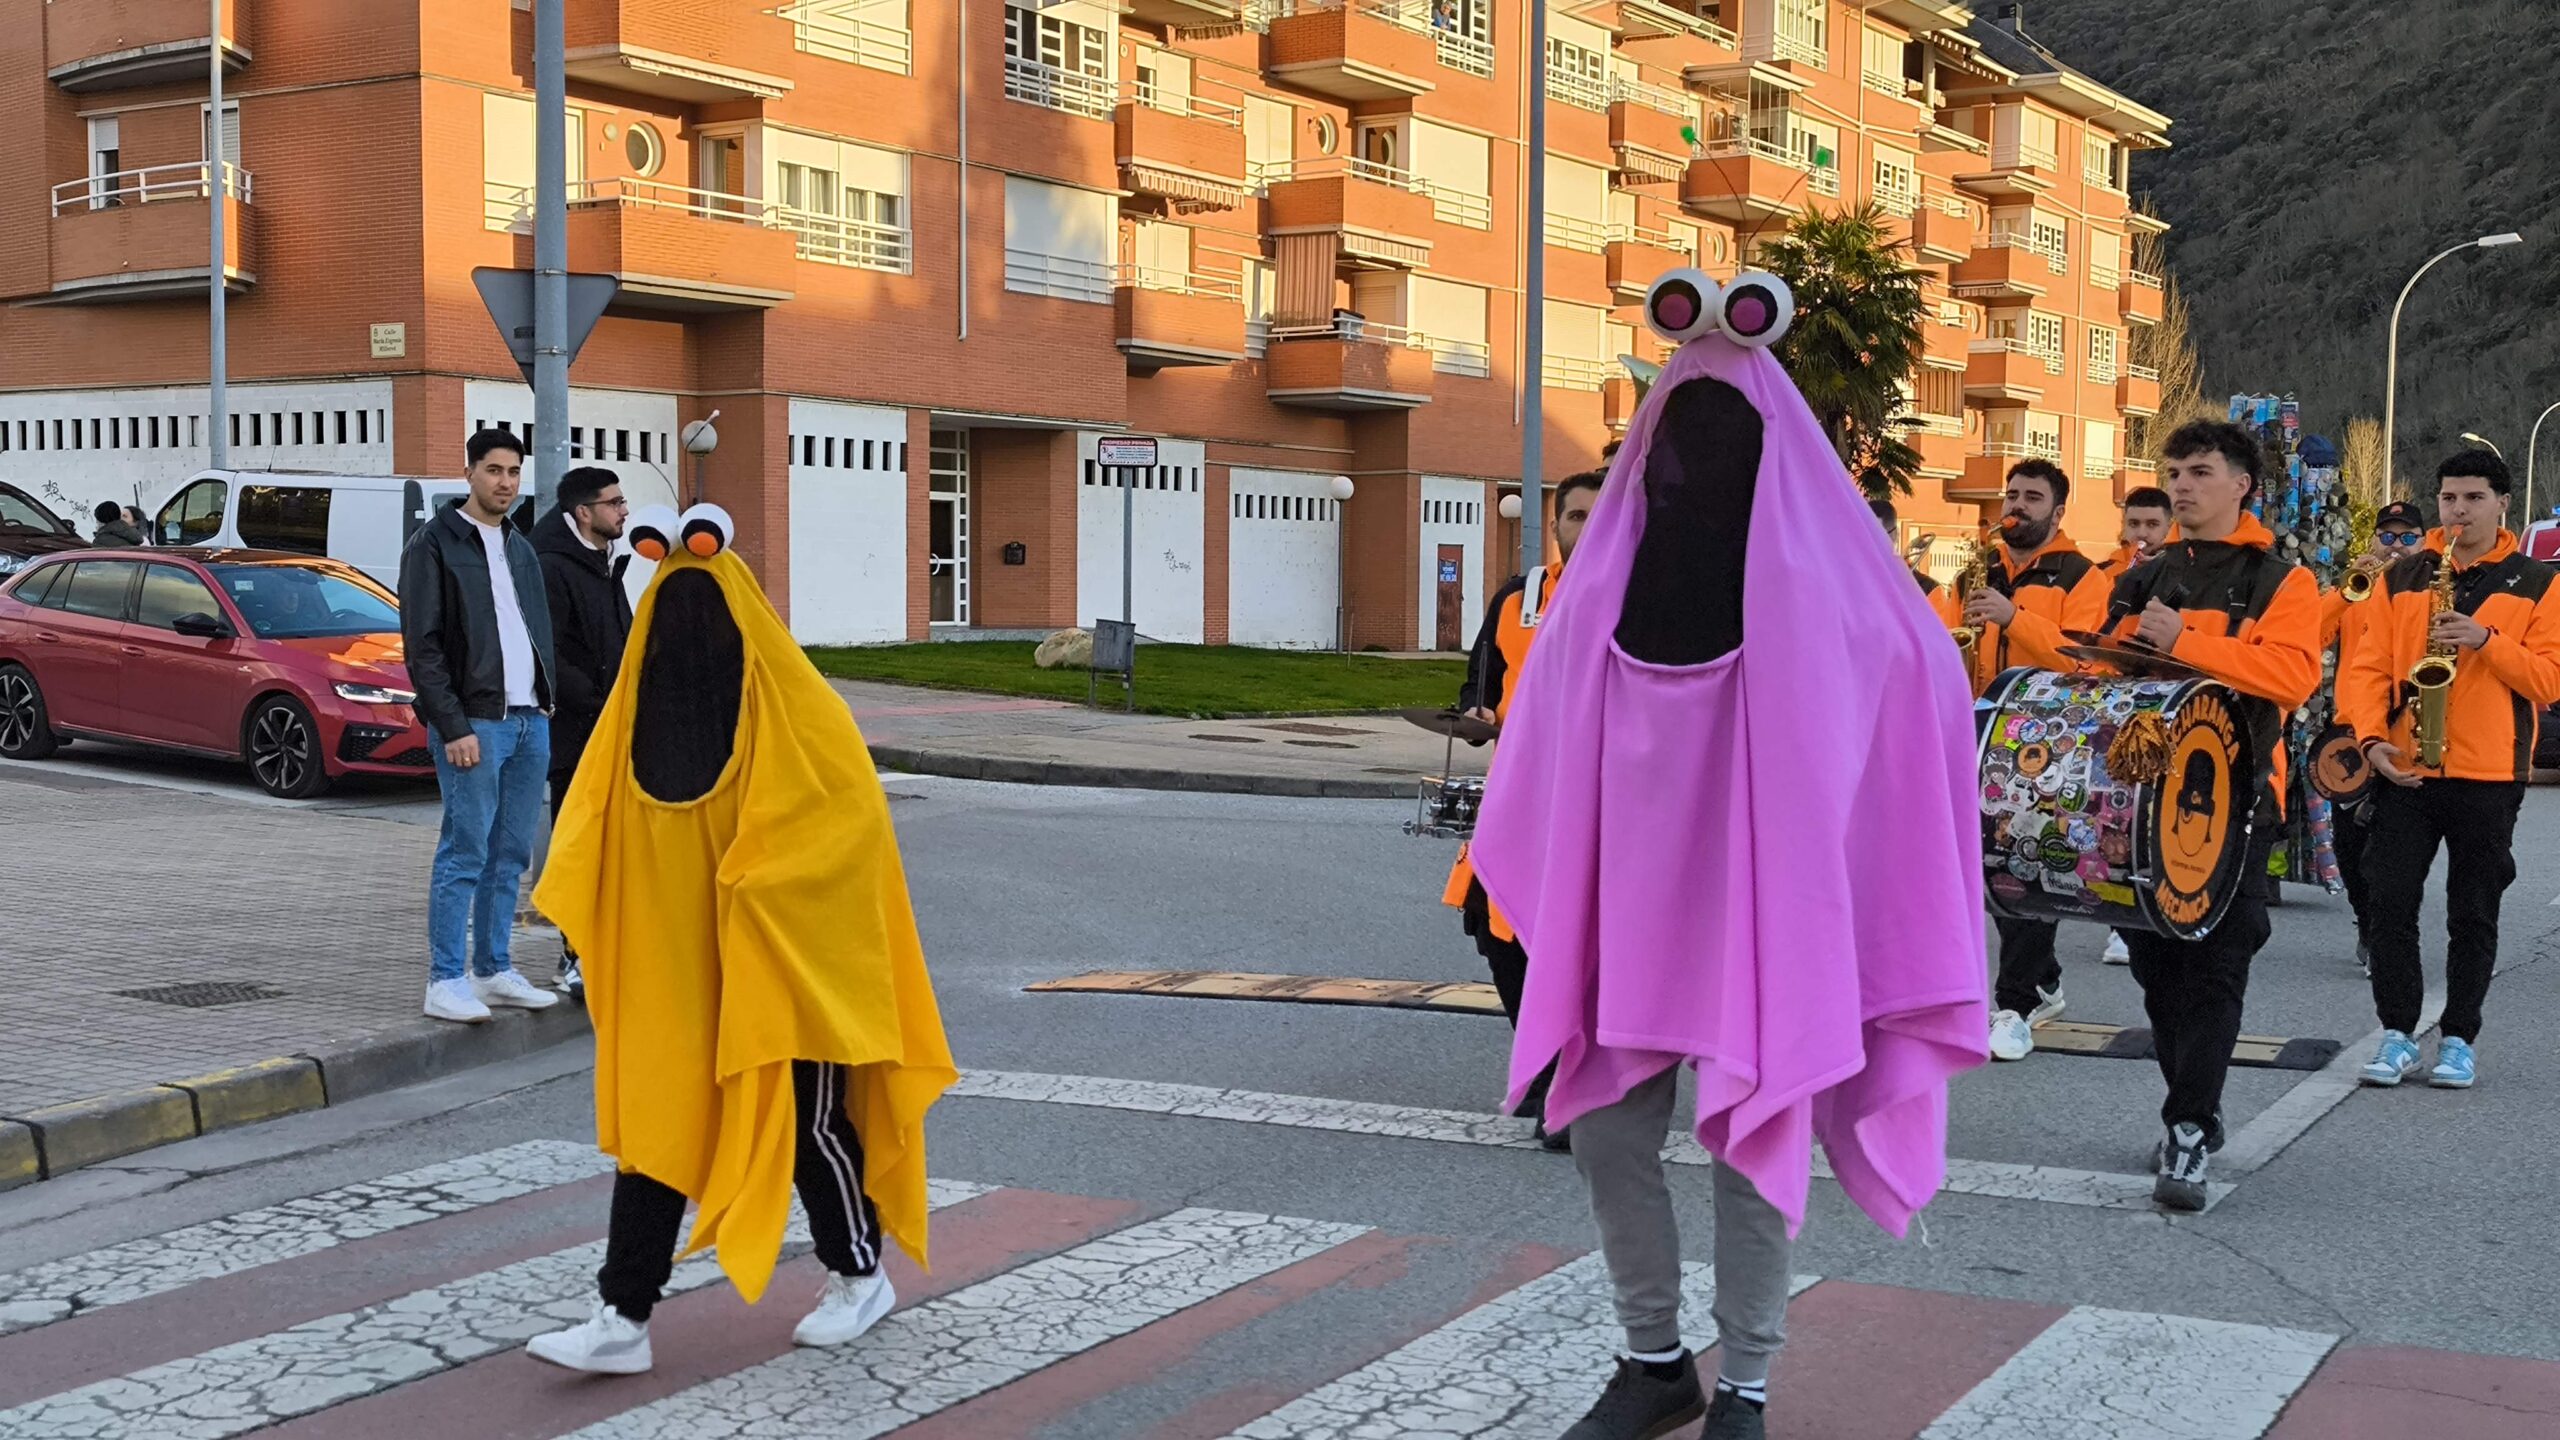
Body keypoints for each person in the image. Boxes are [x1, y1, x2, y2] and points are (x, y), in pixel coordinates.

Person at [1474, 274, 1983, 1440]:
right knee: (1605, 1131)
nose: (1688, 471)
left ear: (1769, 453)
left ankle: (1745, 1380)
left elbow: (1917, 684)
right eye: (1673, 446)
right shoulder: (1598, 590)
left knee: (1761, 1125)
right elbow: (1544, 739)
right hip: (1628, 910)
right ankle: (1653, 1358)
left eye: (1719, 445)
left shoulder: (1840, 600)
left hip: (1767, 916)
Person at [527, 502, 954, 1373]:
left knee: (807, 1123)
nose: (688, 637)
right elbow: (594, 836)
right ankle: (623, 1316)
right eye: (671, 614)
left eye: (706, 615)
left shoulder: (795, 710)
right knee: (656, 1126)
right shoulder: (633, 728)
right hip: (681, 971)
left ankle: (860, 1273)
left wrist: (767, 883)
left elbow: (849, 825)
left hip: (791, 966)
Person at [2092, 420, 2320, 1210]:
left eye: (2198, 472)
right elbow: (2104, 675)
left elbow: (2291, 678)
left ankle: (2188, 1127)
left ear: (2241, 484)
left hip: (2239, 801)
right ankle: (2195, 1101)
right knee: (2157, 965)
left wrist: (2185, 638)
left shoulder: (2282, 581)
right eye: (2174, 473)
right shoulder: (2141, 575)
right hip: (2142, 802)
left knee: (2219, 962)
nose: (2181, 486)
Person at [2341, 451, 2560, 1091]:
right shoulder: (2404, 575)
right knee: (2389, 902)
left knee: (2473, 912)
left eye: (2472, 498)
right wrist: (2370, 739)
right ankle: (2396, 1032)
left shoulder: (2538, 582)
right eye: (2448, 498)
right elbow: (2366, 668)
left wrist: (2486, 641)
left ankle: (2459, 1038)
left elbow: (2548, 680)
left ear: (2502, 504)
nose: (2457, 510)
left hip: (2489, 771)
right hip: (2407, 766)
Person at [1441, 467, 1602, 1151]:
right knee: (1491, 920)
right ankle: (1544, 1067)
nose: (1587, 528)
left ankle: (1578, 1082)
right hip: (1521, 798)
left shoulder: (1649, 600)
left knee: (1589, 941)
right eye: (1575, 516)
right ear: (1556, 524)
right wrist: (1476, 714)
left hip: (1608, 802)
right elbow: (1480, 688)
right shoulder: (1519, 598)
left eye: (1601, 515)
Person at [1939, 460, 2109, 1060]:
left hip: (2044, 745)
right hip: (1973, 733)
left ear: (2057, 512)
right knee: (1986, 869)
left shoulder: (2083, 577)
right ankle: (2041, 981)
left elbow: (2085, 661)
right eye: (2012, 494)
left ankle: (2016, 1002)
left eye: (2032, 497)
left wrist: (2015, 619)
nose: (2016, 505)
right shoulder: (1977, 571)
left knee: (2023, 867)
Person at [399, 429, 561, 1024]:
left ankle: (492, 970)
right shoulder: (433, 544)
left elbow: (534, 630)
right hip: (475, 722)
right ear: (468, 472)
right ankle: (444, 980)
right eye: (494, 470)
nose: (505, 482)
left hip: (528, 720)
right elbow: (423, 647)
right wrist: (452, 725)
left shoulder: (519, 545)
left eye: (514, 472)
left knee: (510, 854)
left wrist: (545, 701)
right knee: (465, 850)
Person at [534, 466, 633, 999]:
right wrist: (599, 703)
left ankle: (608, 951)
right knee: (579, 849)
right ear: (583, 512)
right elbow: (550, 652)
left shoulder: (605, 561)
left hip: (612, 729)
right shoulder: (553, 565)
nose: (624, 511)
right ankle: (573, 957)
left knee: (615, 852)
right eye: (614, 503)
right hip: (577, 736)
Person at [2319, 499, 2426, 977]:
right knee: (2349, 848)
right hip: (2351, 736)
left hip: (2408, 733)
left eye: (2407, 537)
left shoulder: (2432, 588)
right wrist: (2348, 590)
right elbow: (2309, 634)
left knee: (2393, 853)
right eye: (2388, 536)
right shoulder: (2356, 591)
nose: (2396, 545)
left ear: (2424, 541)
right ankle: (2368, 925)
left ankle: (2388, 936)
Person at [2095, 485, 2176, 966]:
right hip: (2116, 707)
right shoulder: (2105, 574)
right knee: (2115, 819)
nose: (2142, 535)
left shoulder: (2178, 574)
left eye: (2152, 525)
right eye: (2134, 525)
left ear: (2169, 527)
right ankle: (2120, 926)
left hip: (2163, 712)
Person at [1869, 495, 1940, 595]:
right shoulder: (1848, 581)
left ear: (1895, 534)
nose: (1870, 544)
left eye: (1878, 536)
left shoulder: (1928, 589)